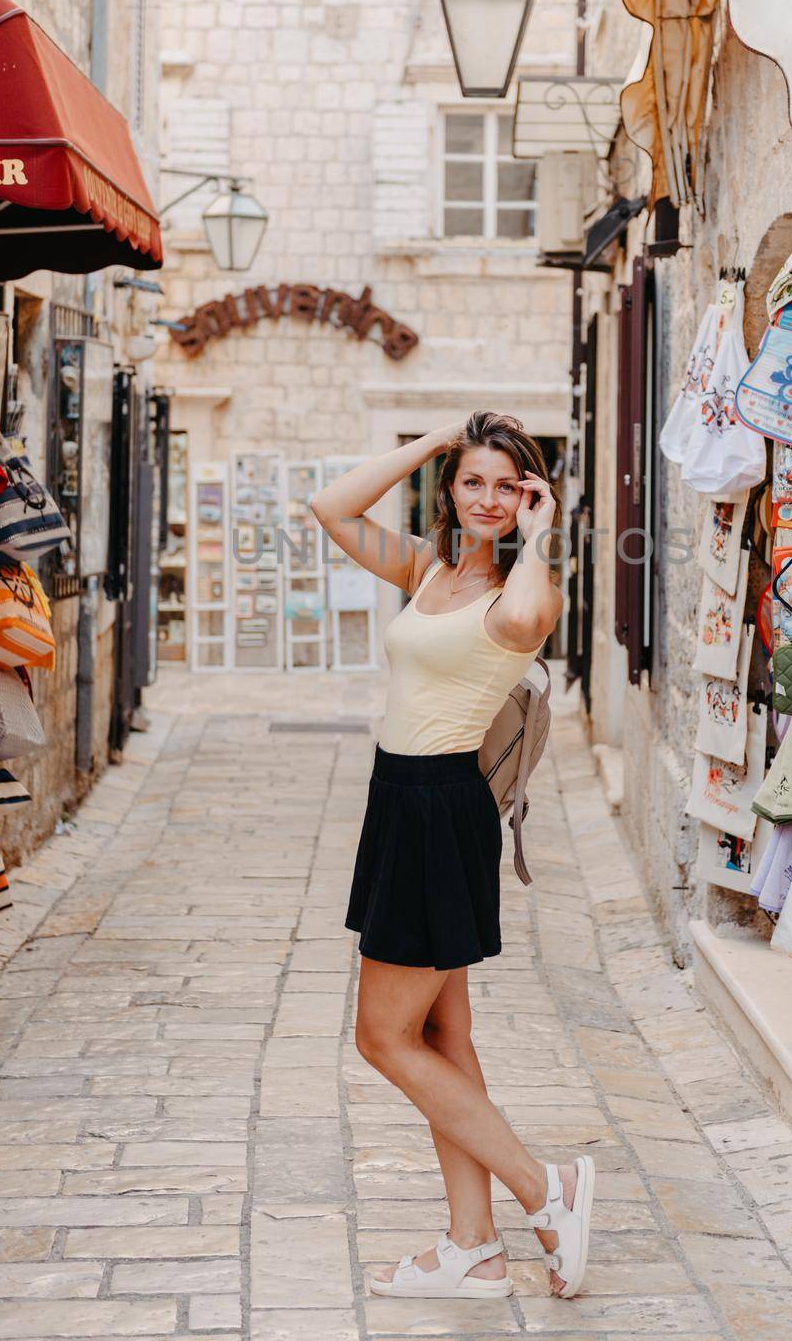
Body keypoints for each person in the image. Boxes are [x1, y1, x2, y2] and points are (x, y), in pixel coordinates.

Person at [309, 411, 594, 1302]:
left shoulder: (522, 590)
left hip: (441, 808)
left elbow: (521, 623)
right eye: (473, 481)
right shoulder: (430, 569)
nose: (488, 499)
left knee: (381, 1036)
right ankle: (473, 1246)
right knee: (442, 1032)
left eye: (507, 486)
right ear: (451, 488)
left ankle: (548, 1189)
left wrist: (543, 536)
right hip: (399, 802)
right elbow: (330, 506)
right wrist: (429, 444)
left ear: (528, 497)